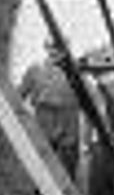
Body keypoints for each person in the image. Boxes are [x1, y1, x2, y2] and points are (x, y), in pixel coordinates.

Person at [17, 54, 81, 183]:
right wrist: (25, 125)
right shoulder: (35, 70)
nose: (55, 53)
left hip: (68, 133)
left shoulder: (76, 71)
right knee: (42, 177)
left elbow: (91, 100)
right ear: (47, 49)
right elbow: (17, 97)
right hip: (45, 130)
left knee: (67, 177)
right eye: (52, 47)